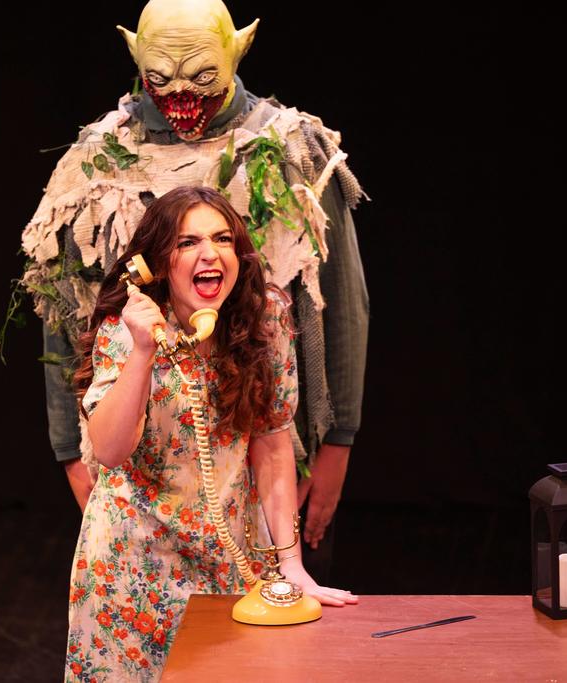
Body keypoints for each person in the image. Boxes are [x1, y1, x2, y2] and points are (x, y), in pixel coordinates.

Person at [25, 0, 368, 585]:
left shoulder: (288, 147)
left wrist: (336, 442)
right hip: (144, 466)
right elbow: (65, 314)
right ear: (136, 57)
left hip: (275, 450)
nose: (181, 95)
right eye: (161, 77)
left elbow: (341, 303)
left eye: (202, 75)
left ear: (238, 50)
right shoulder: (98, 157)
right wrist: (68, 451)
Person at [64, 186, 357, 681]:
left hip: (229, 553)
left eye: (222, 238)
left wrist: (292, 565)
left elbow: (272, 441)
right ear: (156, 262)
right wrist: (142, 351)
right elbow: (110, 452)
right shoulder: (128, 327)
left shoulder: (264, 317)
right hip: (132, 562)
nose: (209, 253)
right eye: (186, 243)